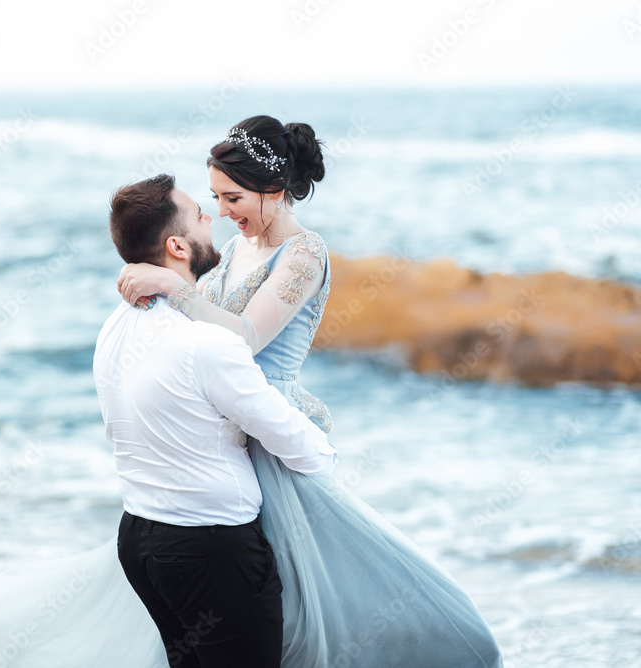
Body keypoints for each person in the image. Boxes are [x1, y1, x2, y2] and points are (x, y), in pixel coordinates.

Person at [117, 115, 504, 667]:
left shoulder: (304, 253)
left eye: (233, 198)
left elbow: (247, 338)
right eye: (216, 199)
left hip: (272, 433)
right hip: (226, 437)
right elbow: (197, 340)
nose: (223, 212)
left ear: (274, 190)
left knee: (310, 605)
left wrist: (172, 287)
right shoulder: (232, 251)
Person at [100, 173, 337, 667]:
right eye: (205, 210)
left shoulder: (117, 324)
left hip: (139, 537)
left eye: (228, 199)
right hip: (209, 548)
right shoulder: (205, 344)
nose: (217, 217)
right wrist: (324, 450)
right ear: (176, 246)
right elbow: (292, 438)